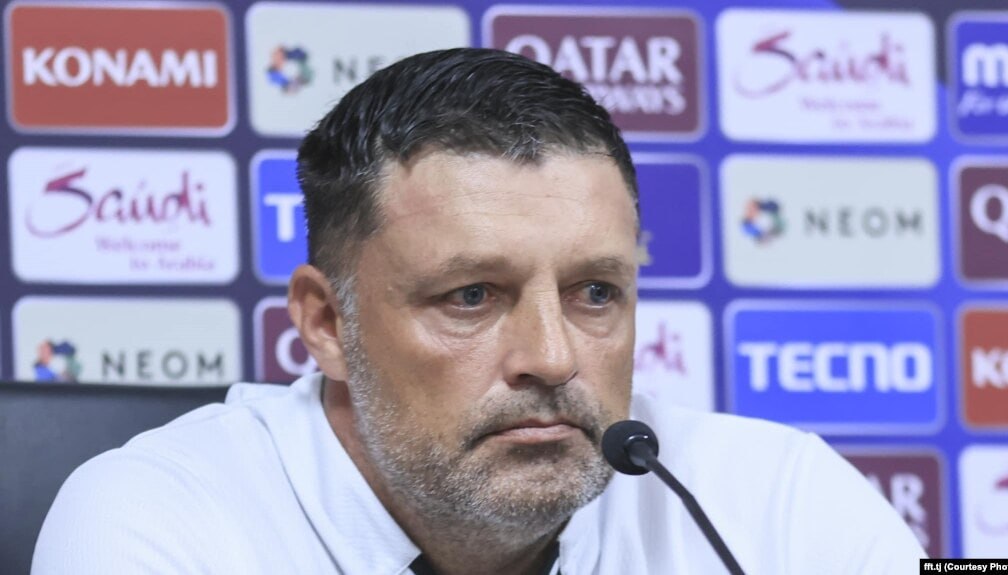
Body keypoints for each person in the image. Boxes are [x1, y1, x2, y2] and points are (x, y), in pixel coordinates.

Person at [32, 48, 925, 574]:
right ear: (326, 323)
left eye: (595, 292)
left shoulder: (771, 498)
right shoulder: (162, 522)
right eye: (471, 296)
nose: (553, 356)